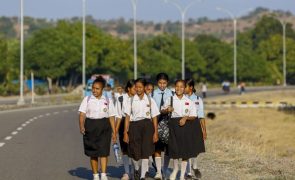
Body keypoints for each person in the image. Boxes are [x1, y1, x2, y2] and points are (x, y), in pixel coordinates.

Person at [78, 76, 117, 180]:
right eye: (93, 88)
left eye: (97, 88)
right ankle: (95, 175)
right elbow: (82, 114)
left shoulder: (108, 100)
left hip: (104, 126)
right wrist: (81, 126)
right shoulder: (87, 99)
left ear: (102, 89)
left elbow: (112, 117)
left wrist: (114, 132)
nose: (94, 90)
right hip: (90, 126)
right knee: (93, 153)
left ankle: (103, 174)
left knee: (104, 152)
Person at [123, 78, 160, 180]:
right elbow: (127, 117)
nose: (138, 89)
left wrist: (155, 132)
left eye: (140, 87)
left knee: (145, 151)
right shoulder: (130, 100)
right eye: (136, 87)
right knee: (135, 152)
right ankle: (136, 168)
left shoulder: (149, 100)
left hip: (147, 126)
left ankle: (143, 175)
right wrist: (125, 132)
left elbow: (154, 117)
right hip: (134, 126)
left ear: (144, 87)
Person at [161, 79, 197, 180]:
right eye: (177, 86)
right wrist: (167, 110)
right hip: (173, 127)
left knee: (185, 152)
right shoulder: (170, 99)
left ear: (185, 88)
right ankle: (176, 169)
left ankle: (182, 175)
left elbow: (194, 115)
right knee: (175, 150)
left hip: (185, 127)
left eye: (181, 87)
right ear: (174, 87)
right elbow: (162, 110)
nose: (179, 88)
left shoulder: (189, 101)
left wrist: (185, 118)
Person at [152, 73, 174, 180]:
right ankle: (158, 172)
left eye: (164, 83)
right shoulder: (152, 93)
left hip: (168, 122)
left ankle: (164, 169)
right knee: (157, 147)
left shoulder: (172, 93)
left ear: (167, 83)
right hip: (156, 121)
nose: (162, 85)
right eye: (160, 83)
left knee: (168, 148)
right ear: (157, 83)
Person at [185, 79, 206, 179]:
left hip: (195, 125)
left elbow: (201, 116)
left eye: (185, 86)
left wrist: (204, 131)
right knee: (187, 149)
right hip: (185, 125)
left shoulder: (198, 99)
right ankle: (188, 172)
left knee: (195, 148)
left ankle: (195, 165)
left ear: (191, 87)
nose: (182, 88)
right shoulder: (181, 99)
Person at [115, 80, 136, 180]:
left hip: (135, 123)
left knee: (134, 148)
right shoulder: (121, 99)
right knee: (124, 149)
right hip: (123, 123)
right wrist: (115, 131)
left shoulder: (139, 98)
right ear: (129, 89)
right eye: (134, 88)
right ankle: (127, 172)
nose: (136, 90)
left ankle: (134, 170)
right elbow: (118, 116)